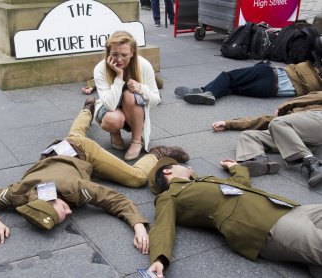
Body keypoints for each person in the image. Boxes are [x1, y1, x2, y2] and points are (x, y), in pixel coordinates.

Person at [0, 97, 189, 248]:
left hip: (83, 152)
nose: (69, 212)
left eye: (63, 210)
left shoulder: (73, 189)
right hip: (58, 148)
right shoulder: (18, 194)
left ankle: (158, 154)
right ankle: (87, 109)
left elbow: (114, 200)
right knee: (75, 133)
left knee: (136, 177)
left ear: (50, 200)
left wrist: (139, 226)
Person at [146, 157, 322, 278]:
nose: (187, 166)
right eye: (180, 164)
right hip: (265, 226)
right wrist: (159, 259)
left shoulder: (207, 180)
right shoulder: (169, 196)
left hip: (287, 208)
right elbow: (162, 226)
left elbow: (239, 184)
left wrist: (235, 167)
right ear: (168, 172)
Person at [212, 91, 322, 187]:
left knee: (278, 122)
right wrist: (229, 124)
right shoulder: (289, 117)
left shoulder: (313, 101)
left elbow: (313, 97)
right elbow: (265, 120)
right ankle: (258, 161)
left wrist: (284, 106)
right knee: (248, 135)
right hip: (300, 137)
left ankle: (313, 163)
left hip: (317, 118)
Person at [93, 31, 161, 161]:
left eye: (124, 55)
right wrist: (119, 76)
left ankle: (136, 141)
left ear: (132, 52)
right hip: (109, 109)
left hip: (134, 110)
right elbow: (110, 105)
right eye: (114, 54)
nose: (119, 59)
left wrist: (141, 89)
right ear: (108, 52)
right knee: (114, 120)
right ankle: (114, 133)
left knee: (130, 95)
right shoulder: (100, 68)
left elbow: (156, 100)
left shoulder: (144, 65)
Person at [174, 61, 322, 105]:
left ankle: (206, 91)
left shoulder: (311, 68)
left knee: (229, 76)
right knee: (232, 87)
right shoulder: (318, 87)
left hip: (269, 73)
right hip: (270, 92)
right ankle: (206, 92)